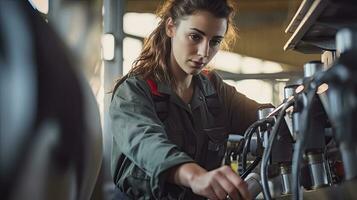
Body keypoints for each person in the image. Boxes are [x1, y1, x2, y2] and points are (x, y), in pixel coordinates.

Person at [110, 0, 262, 199]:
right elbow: (148, 143)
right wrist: (195, 177)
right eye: (195, 36)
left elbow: (263, 117)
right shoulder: (133, 92)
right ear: (171, 27)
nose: (204, 52)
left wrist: (296, 112)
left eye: (215, 41)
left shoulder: (214, 89)